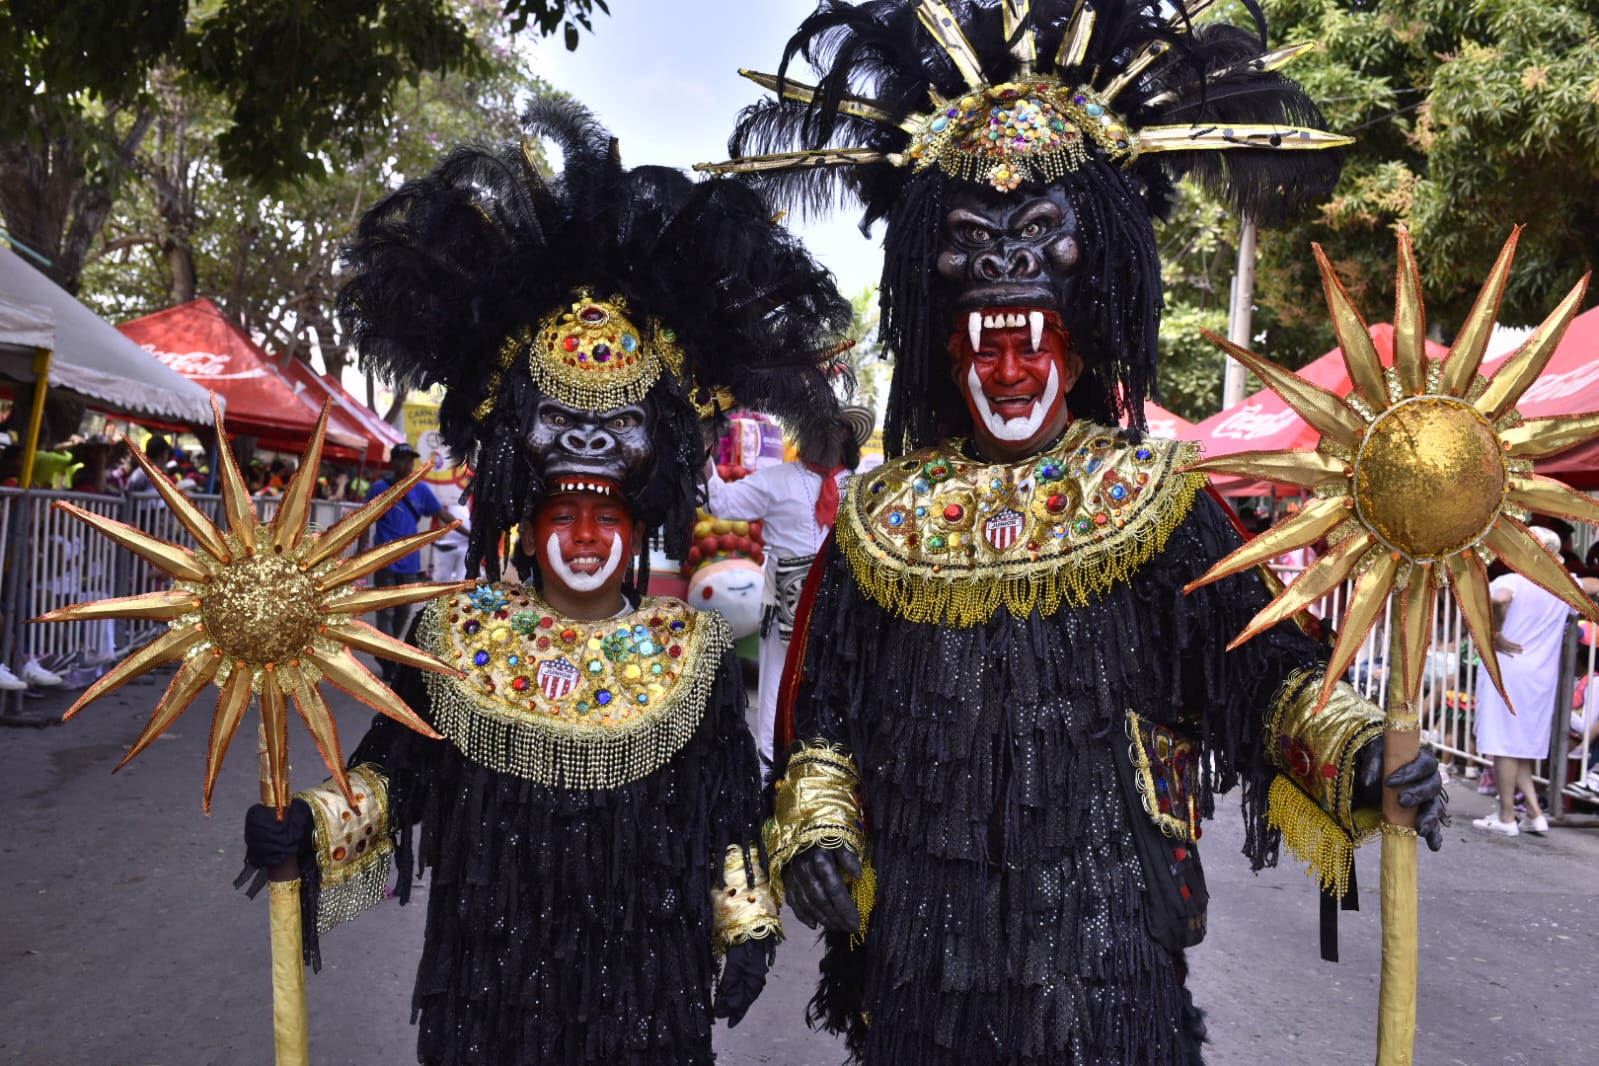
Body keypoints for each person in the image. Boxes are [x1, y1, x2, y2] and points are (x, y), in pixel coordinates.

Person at [707, 4, 1445, 1063]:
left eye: (1036, 234)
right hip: (926, 970)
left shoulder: (1157, 500)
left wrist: (1363, 748)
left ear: (1091, 291)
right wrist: (820, 830)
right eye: (970, 242)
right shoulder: (880, 525)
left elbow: (1262, 675)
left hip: (1112, 965)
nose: (1005, 261)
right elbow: (827, 722)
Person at [240, 101, 850, 1065]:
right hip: (485, 994)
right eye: (561, 514)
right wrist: (312, 828)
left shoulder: (688, 659)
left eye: (604, 515)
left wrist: (743, 925)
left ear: (643, 514)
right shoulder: (453, 640)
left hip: (646, 994)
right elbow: (399, 783)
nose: (580, 538)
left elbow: (724, 813)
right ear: (521, 515)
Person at [703, 406, 873, 767]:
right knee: (776, 687)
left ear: (846, 436)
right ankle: (768, 770)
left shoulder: (863, 486)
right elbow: (721, 502)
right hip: (785, 603)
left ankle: (834, 766)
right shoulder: (774, 479)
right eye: (815, 424)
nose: (823, 435)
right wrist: (703, 460)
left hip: (841, 606)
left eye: (833, 427)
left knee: (839, 682)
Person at [1472, 526, 1572, 837]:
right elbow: (1592, 585)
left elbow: (1500, 600)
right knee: (1518, 746)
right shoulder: (1563, 588)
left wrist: (1495, 633)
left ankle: (1505, 815)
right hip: (1541, 675)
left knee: (1504, 743)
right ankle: (1535, 811)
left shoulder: (1512, 581)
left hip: (1509, 667)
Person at [364, 442, 441, 639]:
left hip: (410, 561)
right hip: (385, 558)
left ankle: (391, 649)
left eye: (410, 461)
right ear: (393, 463)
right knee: (386, 609)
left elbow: (440, 513)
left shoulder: (421, 489)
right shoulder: (379, 488)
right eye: (403, 461)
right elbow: (364, 522)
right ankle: (387, 657)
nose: (407, 465)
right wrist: (360, 555)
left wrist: (469, 533)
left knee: (404, 610)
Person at [430, 473, 473, 584]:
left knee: (463, 581)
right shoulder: (443, 493)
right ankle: (441, 601)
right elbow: (441, 515)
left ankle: (459, 601)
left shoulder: (473, 497)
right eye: (465, 478)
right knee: (441, 580)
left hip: (466, 546)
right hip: (445, 545)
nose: (467, 481)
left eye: (469, 479)